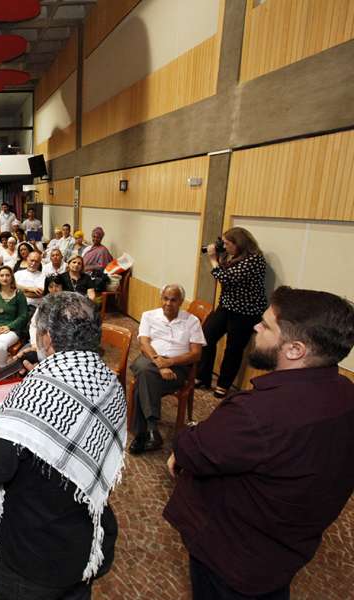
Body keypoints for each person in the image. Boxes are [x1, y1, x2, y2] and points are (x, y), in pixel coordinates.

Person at [164, 286, 354, 600]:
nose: (256, 326)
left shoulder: (257, 414)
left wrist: (191, 433)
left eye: (266, 325)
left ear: (294, 349)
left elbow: (191, 450)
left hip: (232, 557)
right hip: (285, 551)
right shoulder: (345, 393)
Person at [0, 292, 124, 598]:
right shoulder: (109, 383)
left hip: (31, 559)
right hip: (83, 544)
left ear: (45, 338)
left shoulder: (35, 396)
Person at [129, 285, 206, 454]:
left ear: (180, 302)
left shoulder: (192, 321)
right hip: (151, 359)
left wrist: (169, 362)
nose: (168, 303)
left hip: (177, 368)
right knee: (144, 368)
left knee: (143, 377)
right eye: (165, 298)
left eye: (173, 300)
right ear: (161, 298)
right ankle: (151, 429)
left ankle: (142, 433)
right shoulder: (149, 316)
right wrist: (160, 363)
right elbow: (143, 344)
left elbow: (196, 354)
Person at [197, 227, 268, 398]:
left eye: (228, 244)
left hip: (246, 312)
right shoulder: (235, 256)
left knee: (233, 349)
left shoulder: (255, 260)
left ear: (239, 243)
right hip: (227, 306)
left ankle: (223, 384)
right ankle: (203, 376)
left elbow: (226, 278)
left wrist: (213, 259)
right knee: (206, 336)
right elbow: (227, 276)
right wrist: (220, 258)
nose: (225, 247)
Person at [13, 251, 46, 316]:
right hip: (15, 305)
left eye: (36, 261)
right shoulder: (18, 274)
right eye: (32, 260)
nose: (33, 263)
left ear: (40, 263)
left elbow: (38, 294)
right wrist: (30, 289)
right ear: (27, 259)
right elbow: (11, 287)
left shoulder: (43, 276)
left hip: (32, 307)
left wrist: (19, 290)